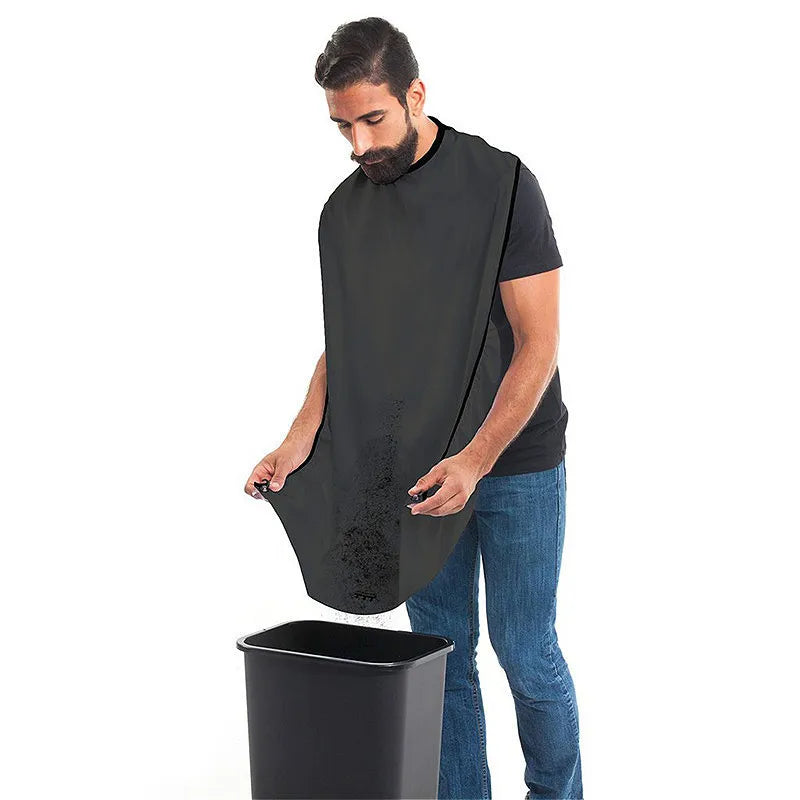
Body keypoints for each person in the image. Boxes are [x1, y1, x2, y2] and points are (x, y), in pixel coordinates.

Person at [244, 17, 582, 800]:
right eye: (342, 126)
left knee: (528, 653)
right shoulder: (345, 215)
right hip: (419, 467)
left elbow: (539, 343)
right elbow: (350, 343)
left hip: (515, 460)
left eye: (373, 119)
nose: (359, 145)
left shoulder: (501, 185)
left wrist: (476, 459)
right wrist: (298, 441)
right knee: (440, 653)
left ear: (415, 93)